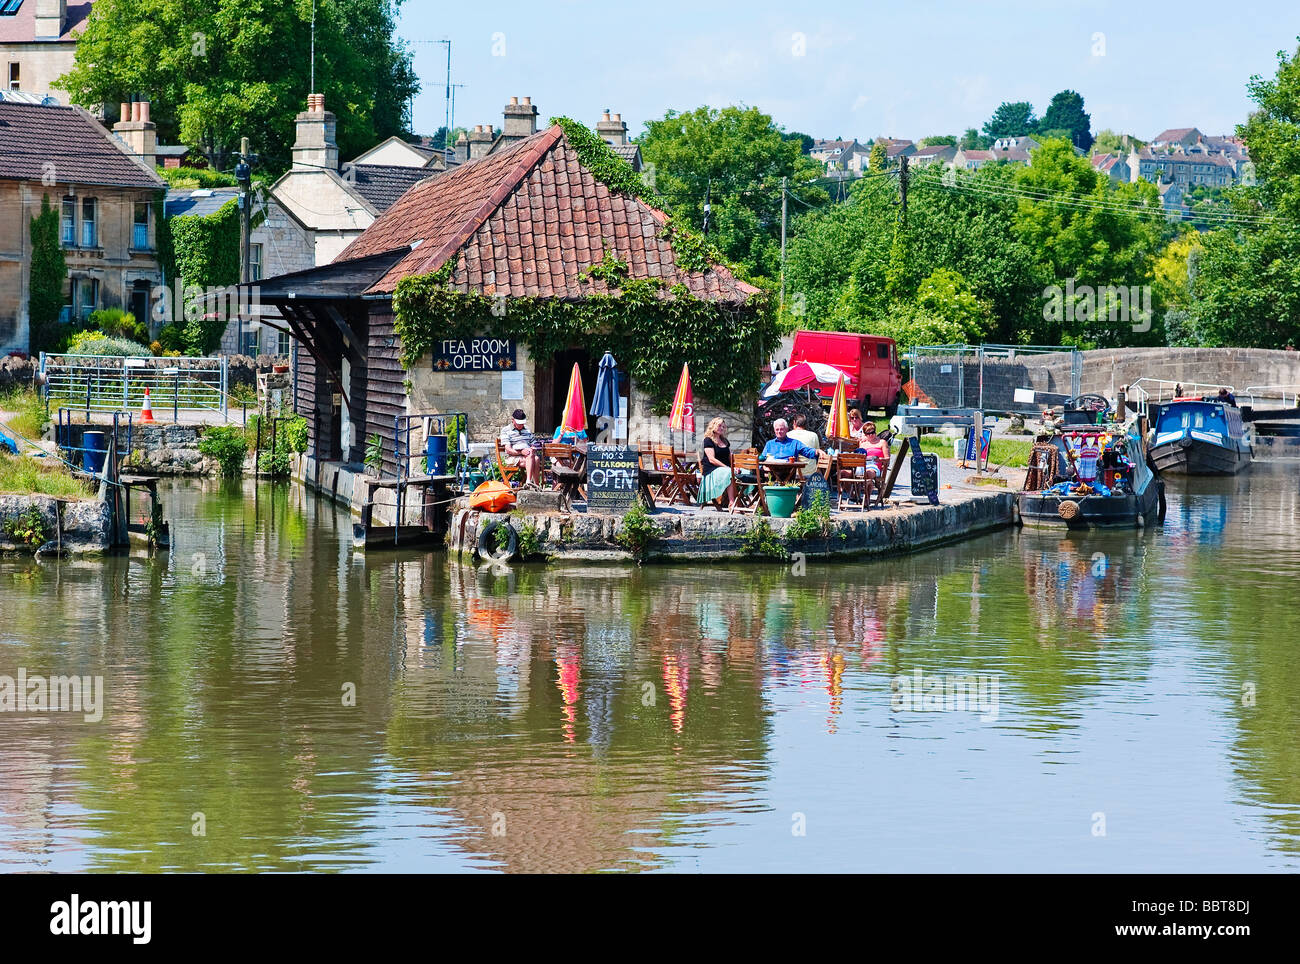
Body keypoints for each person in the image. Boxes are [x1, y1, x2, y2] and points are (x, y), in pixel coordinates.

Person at [698, 417, 737, 508]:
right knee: (729, 473)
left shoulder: (725, 441)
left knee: (746, 472)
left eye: (723, 427)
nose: (722, 428)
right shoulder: (708, 440)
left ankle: (742, 502)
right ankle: (732, 503)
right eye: (719, 426)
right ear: (713, 426)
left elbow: (730, 457)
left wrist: (735, 466)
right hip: (712, 471)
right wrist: (727, 468)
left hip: (725, 469)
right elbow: (711, 459)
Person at [500, 408, 541, 487]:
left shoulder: (527, 429)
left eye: (522, 423)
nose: (521, 425)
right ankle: (533, 483)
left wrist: (533, 447)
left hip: (528, 455)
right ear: (513, 420)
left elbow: (533, 443)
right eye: (519, 423)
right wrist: (521, 452)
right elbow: (508, 450)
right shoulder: (505, 430)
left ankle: (534, 484)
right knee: (534, 459)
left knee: (535, 458)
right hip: (513, 457)